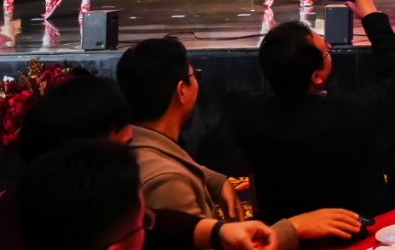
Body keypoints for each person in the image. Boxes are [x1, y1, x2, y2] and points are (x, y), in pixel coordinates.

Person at [0, 72, 276, 250]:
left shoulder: (44, 198)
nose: (135, 156)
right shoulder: (88, 217)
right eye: (125, 147)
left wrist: (217, 232)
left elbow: (155, 221)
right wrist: (290, 229)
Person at [116, 39, 363, 248]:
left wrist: (216, 181)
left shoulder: (132, 147)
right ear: (182, 91)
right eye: (194, 76)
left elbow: (167, 162)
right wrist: (294, 227)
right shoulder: (168, 184)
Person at [231, 0, 395, 222]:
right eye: (326, 50)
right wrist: (371, 15)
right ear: (316, 76)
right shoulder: (344, 116)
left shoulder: (247, 115)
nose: (329, 45)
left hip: (284, 232)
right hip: (355, 232)